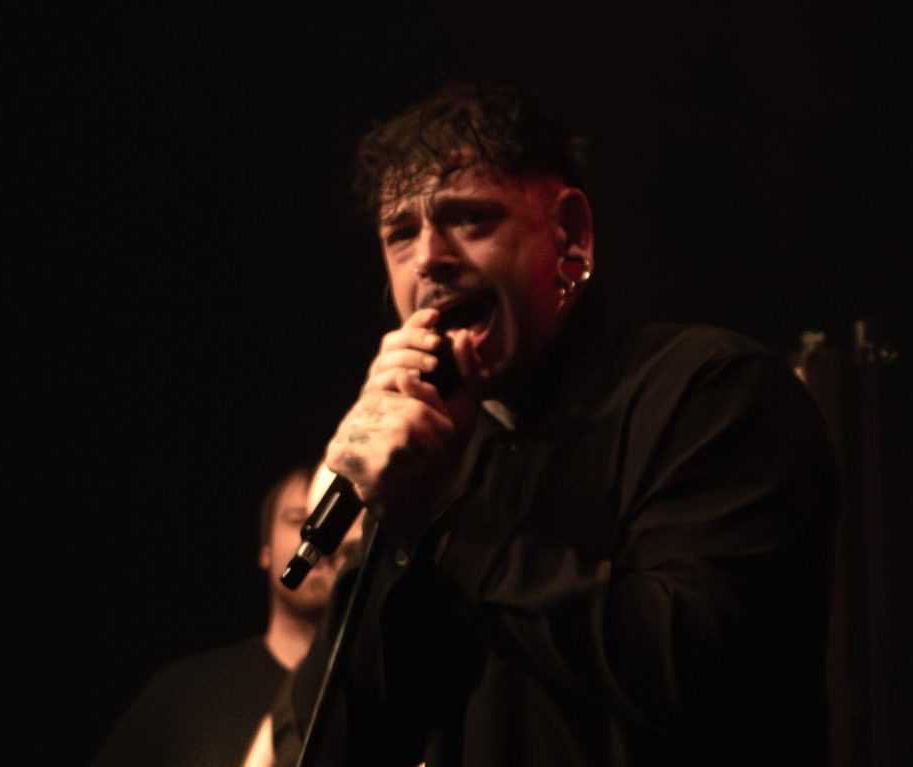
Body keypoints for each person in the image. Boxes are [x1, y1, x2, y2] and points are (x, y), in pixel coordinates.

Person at [276, 83, 840, 766]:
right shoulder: (439, 457)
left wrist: (444, 522)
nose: (427, 258)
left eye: (468, 219)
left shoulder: (711, 390)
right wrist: (395, 526)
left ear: (569, 235)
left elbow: (699, 672)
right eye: (400, 235)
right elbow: (325, 744)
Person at [93, 463, 362, 767]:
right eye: (300, 519)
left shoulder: (378, 697)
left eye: (341, 524)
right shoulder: (182, 694)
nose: (328, 543)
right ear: (266, 550)